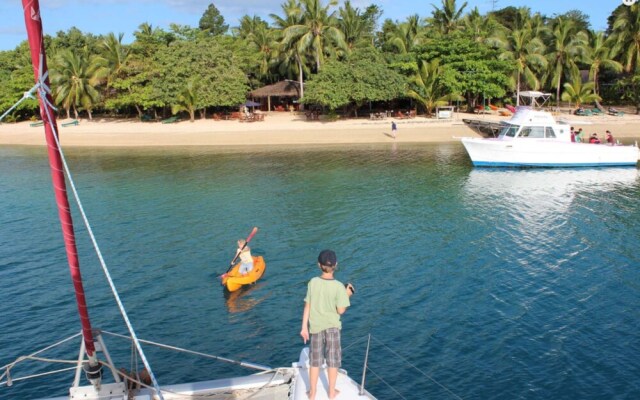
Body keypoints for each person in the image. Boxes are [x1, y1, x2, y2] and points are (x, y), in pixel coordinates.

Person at [300, 250, 354, 400]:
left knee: (315, 361)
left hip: (315, 328)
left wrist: (304, 327)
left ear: (319, 265)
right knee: (333, 361)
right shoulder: (338, 287)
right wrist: (347, 294)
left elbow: (307, 306)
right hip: (332, 328)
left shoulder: (313, 282)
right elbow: (341, 310)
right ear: (336, 265)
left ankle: (312, 393)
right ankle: (331, 392)